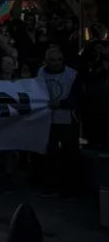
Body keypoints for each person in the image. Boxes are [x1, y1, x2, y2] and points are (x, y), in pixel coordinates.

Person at [36, 45, 80, 197]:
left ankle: (70, 189)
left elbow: (77, 98)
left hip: (67, 119)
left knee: (70, 155)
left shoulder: (72, 74)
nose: (56, 63)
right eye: (53, 60)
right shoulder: (40, 72)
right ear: (47, 61)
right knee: (48, 154)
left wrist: (61, 104)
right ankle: (49, 186)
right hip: (46, 120)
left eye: (59, 60)